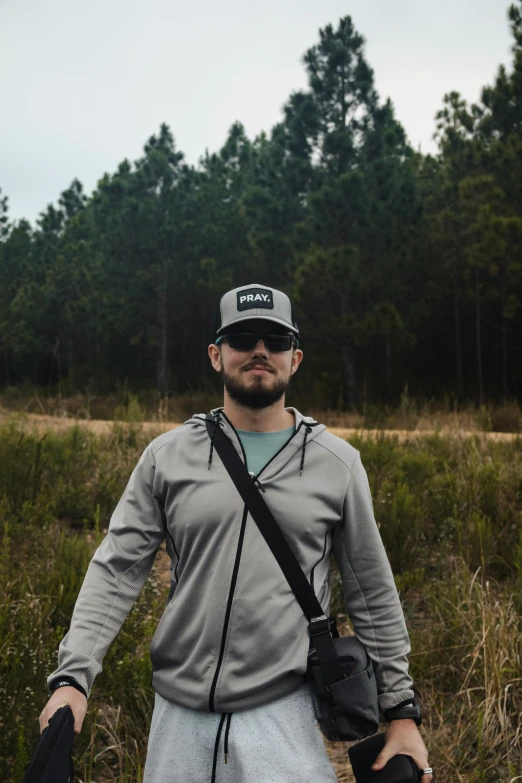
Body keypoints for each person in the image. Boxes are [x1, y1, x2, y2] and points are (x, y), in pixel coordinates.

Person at [41, 283, 433, 782]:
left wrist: (401, 712)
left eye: (275, 339)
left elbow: (372, 592)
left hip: (283, 718)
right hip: (177, 724)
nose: (259, 351)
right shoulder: (167, 457)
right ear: (215, 354)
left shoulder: (338, 465)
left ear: (296, 357)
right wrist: (73, 677)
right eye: (243, 338)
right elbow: (116, 568)